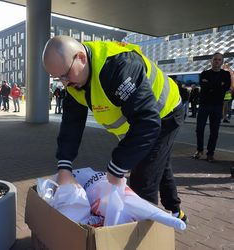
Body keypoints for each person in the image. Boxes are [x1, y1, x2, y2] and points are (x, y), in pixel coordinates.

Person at [42, 35, 187, 222]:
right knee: (157, 162)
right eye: (58, 78)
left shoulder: (118, 68)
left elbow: (147, 123)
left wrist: (117, 167)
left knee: (143, 182)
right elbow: (71, 125)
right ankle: (176, 211)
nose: (64, 83)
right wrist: (64, 166)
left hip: (165, 114)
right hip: (146, 121)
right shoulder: (74, 82)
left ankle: (146, 237)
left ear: (81, 58)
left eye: (66, 75)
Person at [192, 53, 232, 162]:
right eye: (215, 59)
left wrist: (211, 87)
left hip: (217, 106)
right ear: (211, 61)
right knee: (199, 129)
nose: (217, 61)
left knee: (214, 131)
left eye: (219, 60)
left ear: (222, 62)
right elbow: (205, 87)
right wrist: (219, 86)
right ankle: (199, 150)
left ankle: (210, 153)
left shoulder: (226, 74)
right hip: (204, 105)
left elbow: (227, 87)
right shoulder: (204, 73)